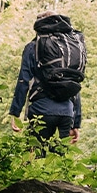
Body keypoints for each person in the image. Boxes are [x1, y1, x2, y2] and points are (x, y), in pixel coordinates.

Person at [8, 10, 85, 156]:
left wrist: (15, 112)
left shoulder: (33, 46)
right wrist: (76, 122)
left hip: (41, 111)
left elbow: (23, 80)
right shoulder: (69, 47)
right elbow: (73, 85)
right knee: (64, 159)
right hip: (67, 112)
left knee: (36, 156)